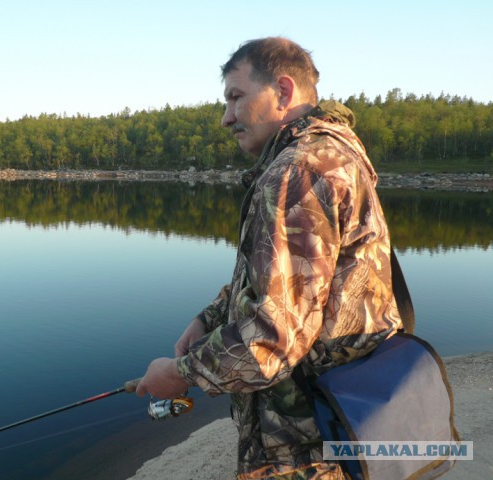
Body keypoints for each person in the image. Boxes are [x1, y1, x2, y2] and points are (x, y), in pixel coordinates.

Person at [136, 37, 403, 480]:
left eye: (235, 97)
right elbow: (289, 283)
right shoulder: (330, 155)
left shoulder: (298, 171)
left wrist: (178, 374)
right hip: (336, 421)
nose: (225, 118)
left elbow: (272, 339)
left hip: (302, 447)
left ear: (282, 91)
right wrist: (210, 317)